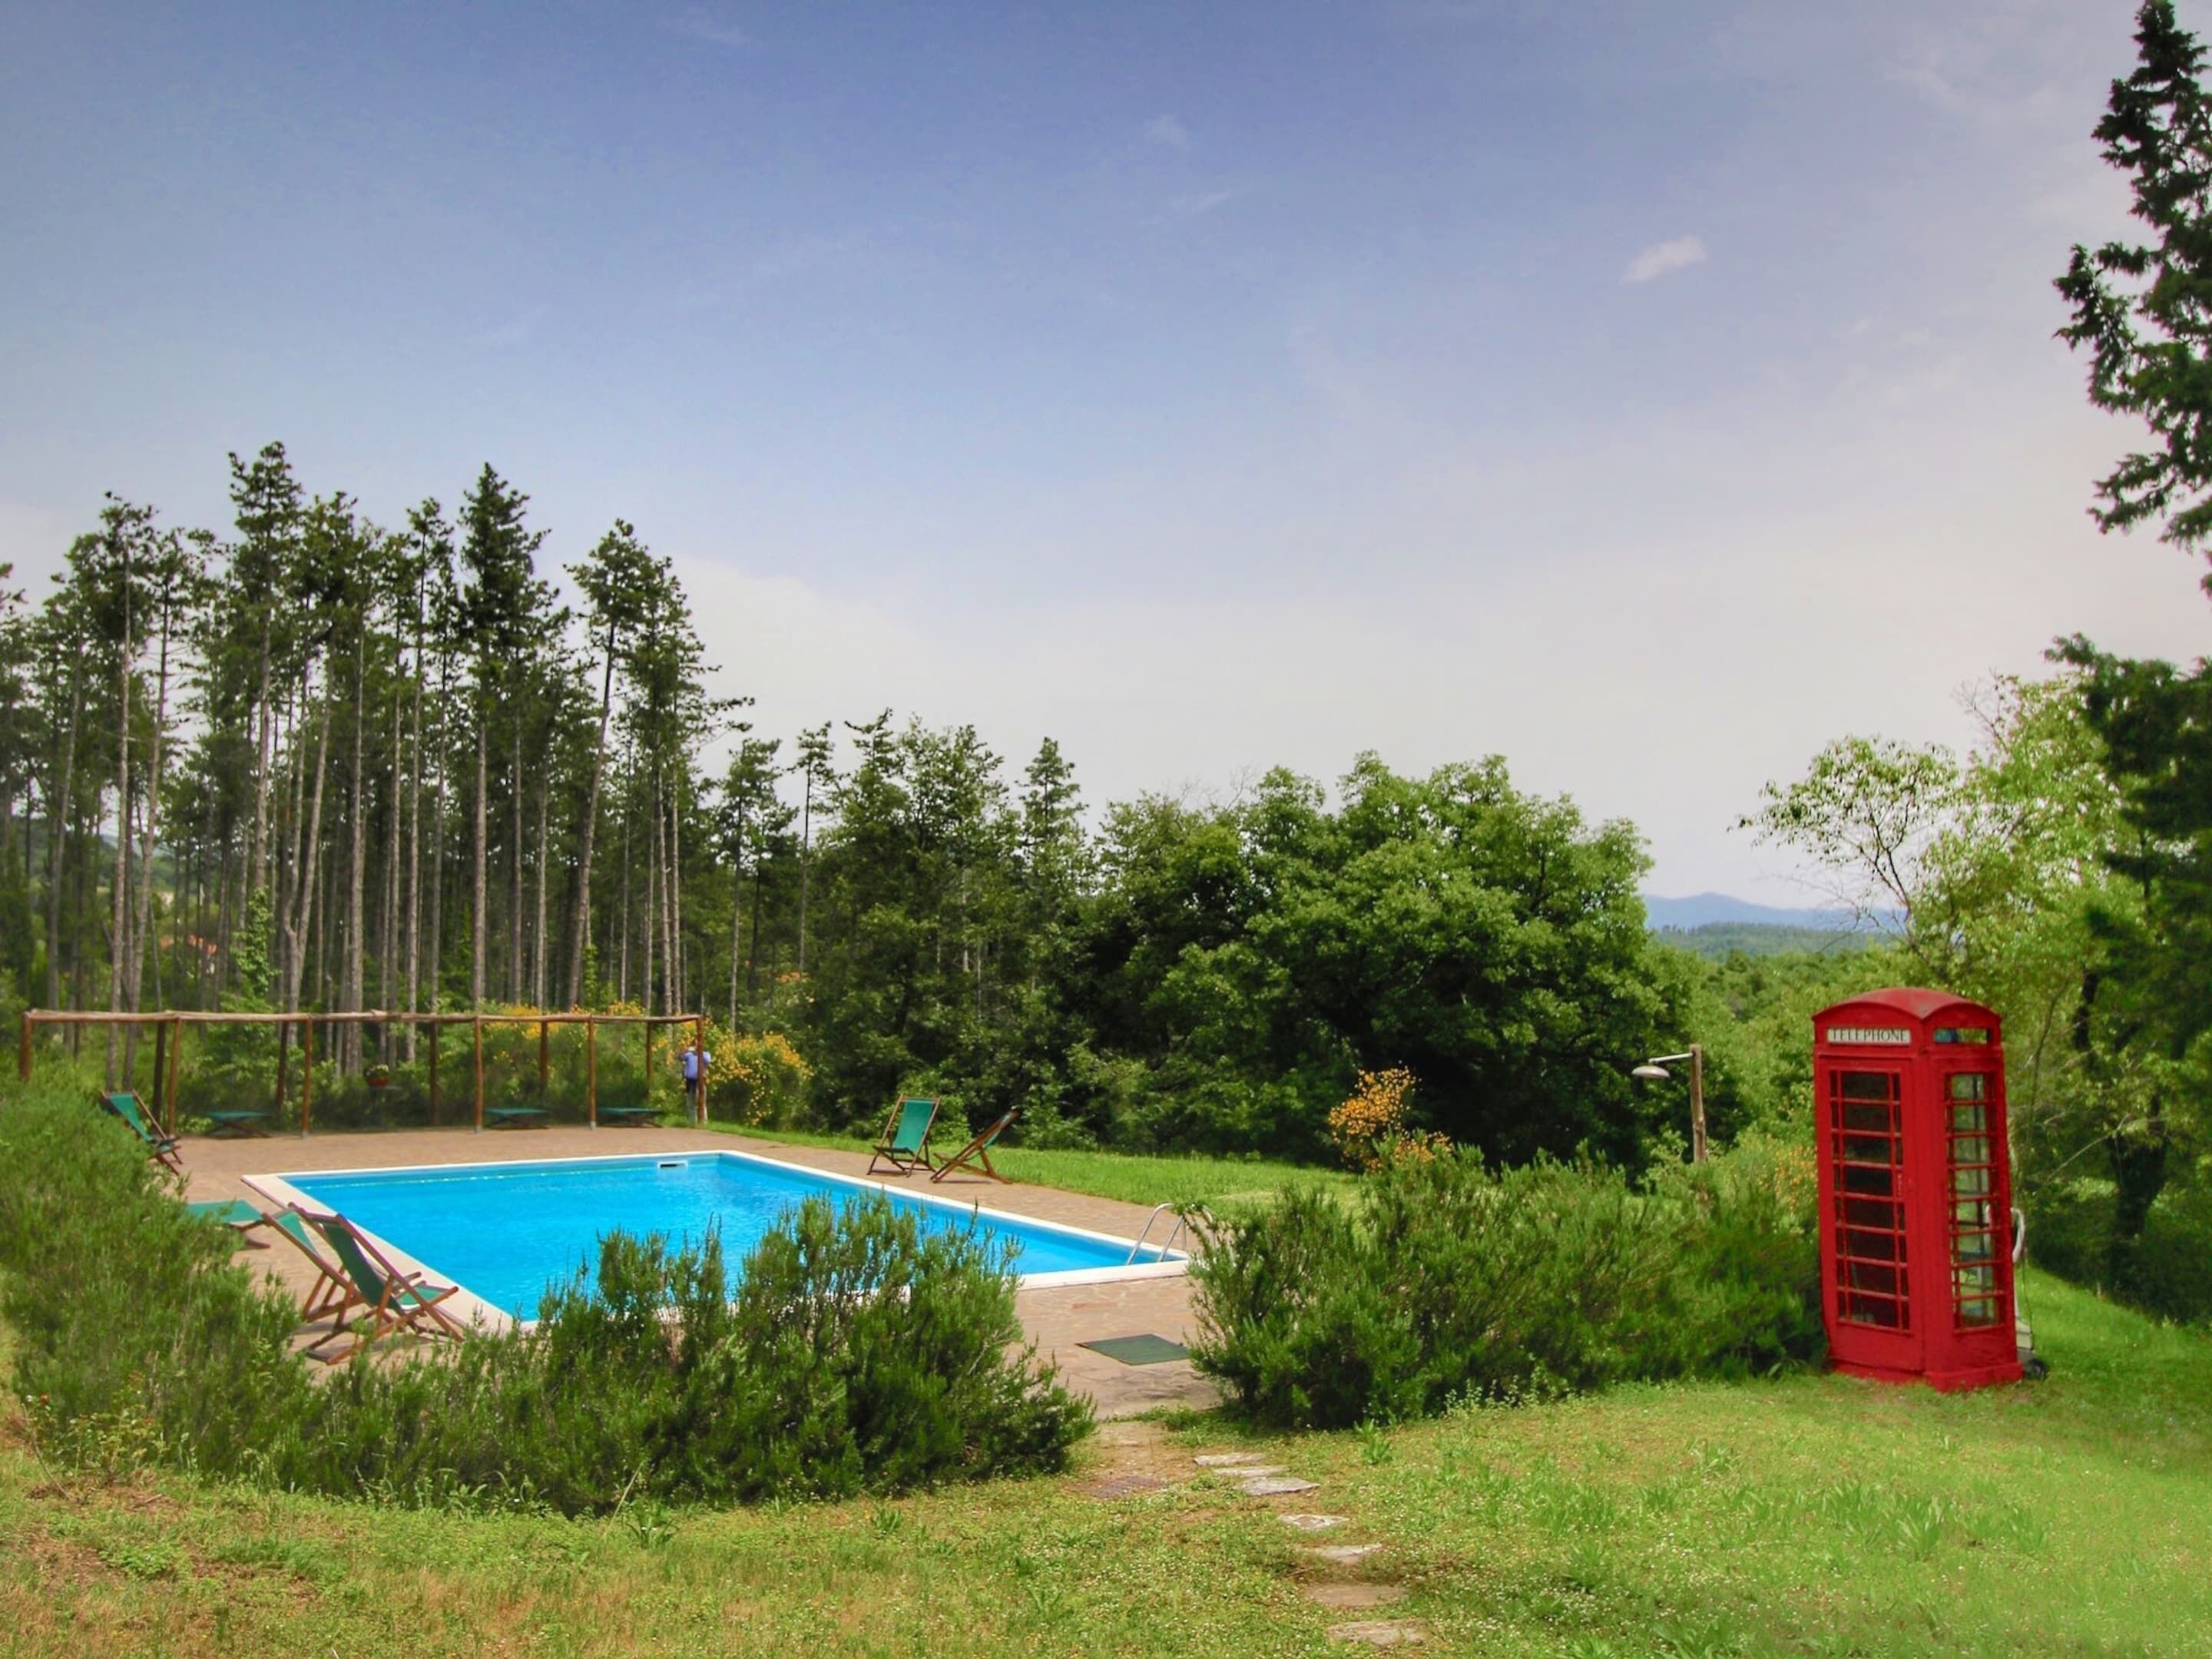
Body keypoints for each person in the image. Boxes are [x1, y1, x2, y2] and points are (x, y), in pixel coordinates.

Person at [680, 1039, 713, 1123]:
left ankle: (703, 1122)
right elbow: (681, 1057)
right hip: (690, 1082)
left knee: (702, 1102)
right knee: (691, 1103)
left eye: (697, 1044)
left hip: (700, 1082)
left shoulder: (705, 1054)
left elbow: (708, 1061)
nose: (696, 1046)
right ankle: (692, 1121)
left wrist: (699, 1052)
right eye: (694, 1044)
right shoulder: (689, 1055)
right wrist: (685, 1050)